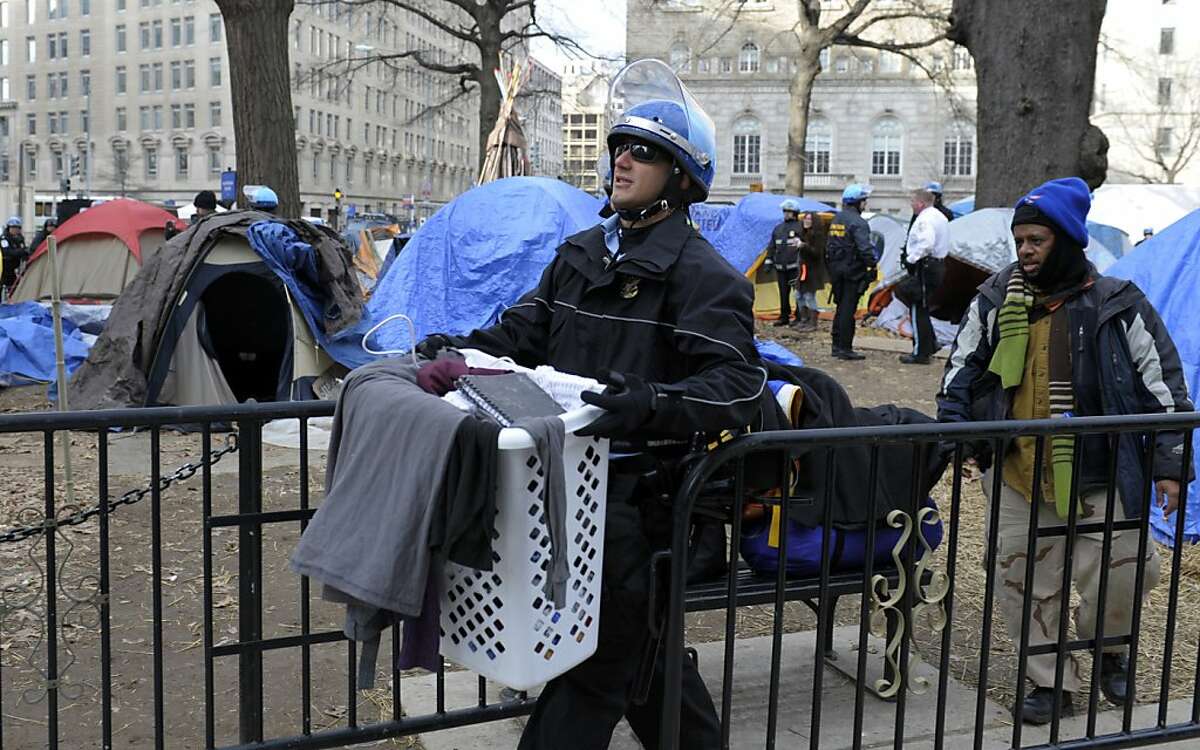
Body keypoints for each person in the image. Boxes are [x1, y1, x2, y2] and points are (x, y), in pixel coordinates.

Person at [416, 59, 763, 750]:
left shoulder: (703, 277)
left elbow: (739, 388)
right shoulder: (578, 254)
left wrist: (650, 401)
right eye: (618, 147)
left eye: (646, 151)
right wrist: (457, 350)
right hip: (562, 495)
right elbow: (518, 334)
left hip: (645, 509)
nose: (623, 160)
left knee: (598, 671)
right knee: (648, 666)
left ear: (682, 177)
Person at [937, 177, 1192, 725]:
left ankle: (1109, 649)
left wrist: (1171, 466)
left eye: (1037, 240)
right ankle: (1050, 680)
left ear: (1068, 240)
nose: (1025, 251)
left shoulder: (1118, 303)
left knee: (1129, 568)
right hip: (1020, 472)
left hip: (1103, 469)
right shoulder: (994, 300)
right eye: (1020, 240)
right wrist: (960, 433)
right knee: (1023, 578)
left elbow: (1167, 388)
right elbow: (960, 373)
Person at [898, 187, 950, 364]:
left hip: (925, 266)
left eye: (912, 202)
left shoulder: (924, 220)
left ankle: (920, 352)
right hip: (936, 265)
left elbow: (926, 243)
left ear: (920, 203)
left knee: (916, 307)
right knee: (922, 307)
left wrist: (911, 259)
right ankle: (930, 343)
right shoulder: (939, 216)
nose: (911, 205)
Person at [825, 184, 876, 360]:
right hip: (852, 272)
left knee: (840, 309)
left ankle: (836, 345)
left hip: (836, 271)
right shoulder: (859, 223)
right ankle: (845, 348)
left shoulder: (836, 219)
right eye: (864, 201)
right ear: (857, 202)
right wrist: (872, 265)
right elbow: (865, 249)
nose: (865, 204)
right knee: (848, 310)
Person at [766, 199, 804, 327]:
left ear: (795, 213)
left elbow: (805, 246)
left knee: (798, 293)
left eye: (789, 211)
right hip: (780, 268)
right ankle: (784, 316)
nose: (786, 214)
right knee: (783, 293)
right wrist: (768, 261)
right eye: (785, 211)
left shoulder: (801, 227)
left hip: (795, 268)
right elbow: (772, 246)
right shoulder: (778, 228)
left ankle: (799, 317)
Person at [791, 211, 826, 332]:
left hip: (812, 272)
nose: (806, 221)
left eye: (809, 219)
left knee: (809, 296)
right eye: (805, 219)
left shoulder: (818, 235)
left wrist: (803, 246)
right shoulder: (803, 233)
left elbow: (817, 253)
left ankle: (813, 322)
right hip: (802, 270)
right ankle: (804, 320)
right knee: (798, 295)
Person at [1, 216, 29, 293]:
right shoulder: (4, 239)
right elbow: (7, 252)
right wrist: (21, 251)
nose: (15, 230)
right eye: (13, 227)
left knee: (15, 287)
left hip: (14, 267)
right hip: (5, 266)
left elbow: (23, 250)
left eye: (17, 228)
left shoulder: (20, 238)